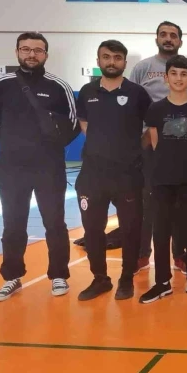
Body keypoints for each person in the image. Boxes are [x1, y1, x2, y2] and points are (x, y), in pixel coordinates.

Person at [0, 32, 79, 302]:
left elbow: (73, 122)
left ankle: (59, 274)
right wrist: (13, 142)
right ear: (17, 52)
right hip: (12, 168)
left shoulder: (59, 86)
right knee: (13, 224)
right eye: (26, 49)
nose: (31, 54)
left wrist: (51, 145)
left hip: (49, 168)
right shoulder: (2, 84)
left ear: (46, 55)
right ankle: (12, 277)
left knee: (55, 223)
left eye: (37, 50)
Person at [75, 40, 151, 301]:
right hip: (92, 175)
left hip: (128, 175)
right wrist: (101, 147)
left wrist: (133, 150)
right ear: (98, 61)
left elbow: (151, 127)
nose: (111, 62)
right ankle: (100, 279)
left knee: (130, 230)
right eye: (106, 57)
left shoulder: (137, 93)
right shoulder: (87, 91)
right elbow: (84, 123)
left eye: (117, 57)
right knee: (92, 230)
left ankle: (126, 278)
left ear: (125, 63)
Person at [130, 21, 187, 275]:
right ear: (156, 39)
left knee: (180, 204)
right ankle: (143, 253)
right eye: (163, 34)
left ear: (180, 41)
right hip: (149, 146)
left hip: (182, 148)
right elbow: (132, 105)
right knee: (148, 203)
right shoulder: (142, 68)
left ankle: (179, 254)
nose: (168, 38)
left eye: (173, 35)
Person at [139, 55, 187, 303]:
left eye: (184, 74)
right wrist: (170, 162)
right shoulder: (156, 109)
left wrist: (185, 161)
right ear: (166, 77)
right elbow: (155, 142)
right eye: (174, 73)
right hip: (162, 180)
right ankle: (162, 283)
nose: (179, 78)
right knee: (161, 232)